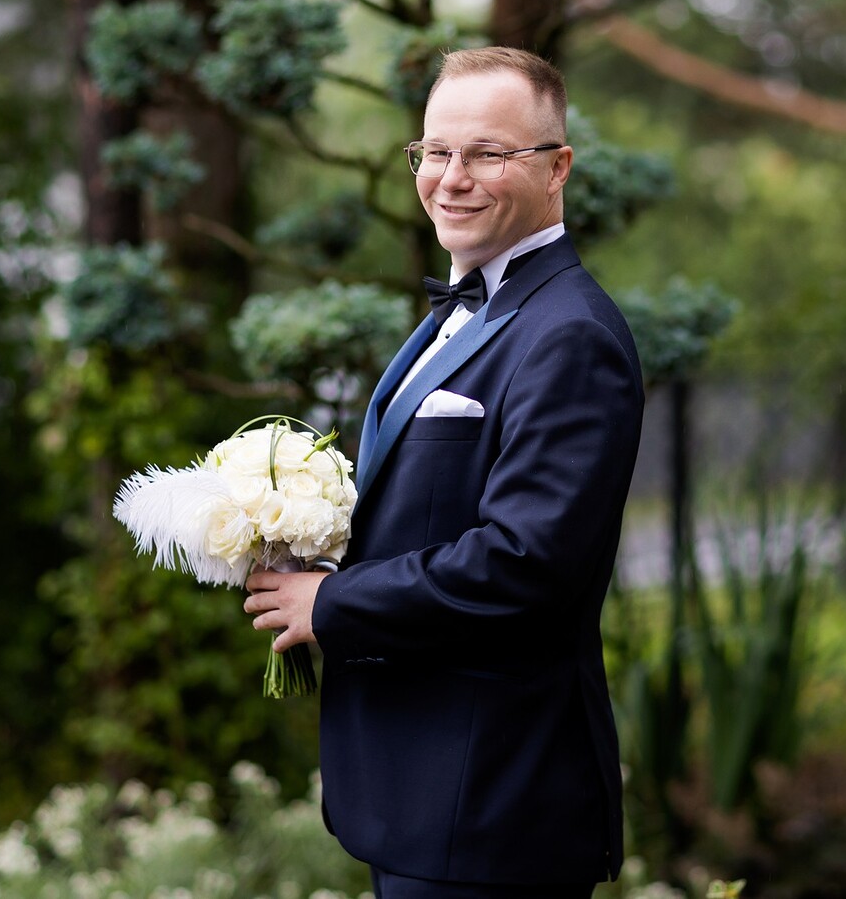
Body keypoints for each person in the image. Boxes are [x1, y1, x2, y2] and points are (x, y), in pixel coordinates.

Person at [243, 46, 645, 899]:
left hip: (494, 801)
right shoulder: (458, 315)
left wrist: (334, 605)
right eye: (435, 151)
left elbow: (527, 566)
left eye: (488, 154)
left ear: (558, 167)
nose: (451, 178)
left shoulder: (568, 334)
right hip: (422, 794)